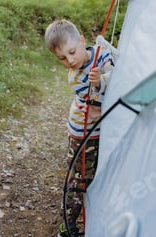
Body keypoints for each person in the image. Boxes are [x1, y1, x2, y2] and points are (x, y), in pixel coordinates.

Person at [45, 19, 115, 237]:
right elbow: (97, 103)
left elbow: (117, 76)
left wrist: (102, 79)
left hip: (98, 129)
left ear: (82, 41)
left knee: (95, 174)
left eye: (73, 52)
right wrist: (99, 83)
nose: (70, 61)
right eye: (62, 59)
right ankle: (67, 225)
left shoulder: (102, 52)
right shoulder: (75, 78)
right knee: (79, 180)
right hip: (83, 133)